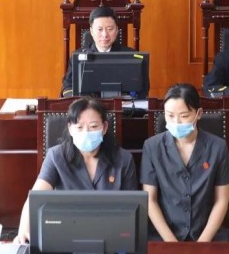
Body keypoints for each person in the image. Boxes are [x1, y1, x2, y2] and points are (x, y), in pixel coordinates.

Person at [13, 97, 138, 244]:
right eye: (79, 127)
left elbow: (133, 208)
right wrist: (23, 232)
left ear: (104, 128)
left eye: (93, 126)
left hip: (111, 235)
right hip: (65, 234)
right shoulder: (56, 156)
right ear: (70, 129)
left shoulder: (123, 159)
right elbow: (35, 199)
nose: (86, 132)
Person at [140, 83, 229, 242]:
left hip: (207, 234)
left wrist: (202, 244)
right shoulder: (152, 147)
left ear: (199, 114)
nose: (176, 122)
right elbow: (150, 200)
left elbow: (221, 200)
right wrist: (171, 243)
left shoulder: (217, 147)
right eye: (170, 115)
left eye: (184, 116)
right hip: (163, 235)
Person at [60, 6, 143, 97]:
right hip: (88, 104)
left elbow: (141, 88)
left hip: (121, 104)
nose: (105, 35)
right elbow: (68, 87)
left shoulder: (130, 56)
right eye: (100, 29)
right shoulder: (78, 56)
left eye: (110, 29)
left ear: (116, 30)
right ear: (91, 31)